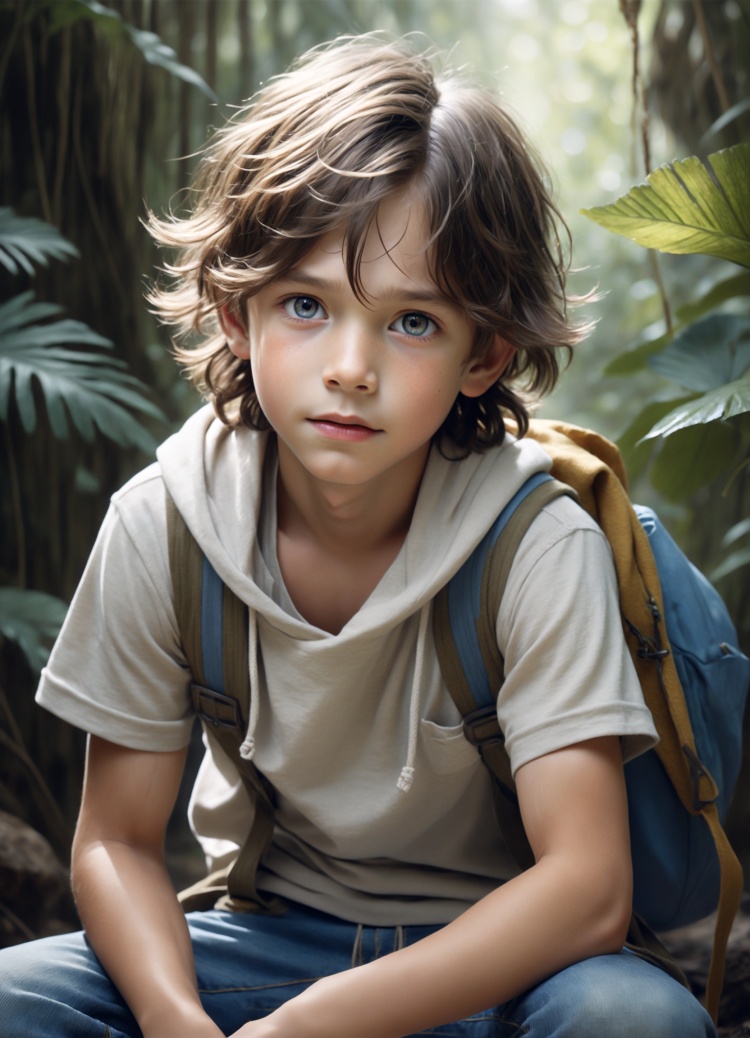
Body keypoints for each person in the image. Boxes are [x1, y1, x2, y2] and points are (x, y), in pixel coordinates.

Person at [0, 33, 716, 1038]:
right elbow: (115, 843)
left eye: (412, 322)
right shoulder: (166, 523)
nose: (350, 366)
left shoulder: (533, 543)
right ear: (236, 316)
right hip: (264, 943)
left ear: (484, 352)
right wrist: (173, 1020)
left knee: (634, 1022)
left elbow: (587, 888)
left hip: (504, 963)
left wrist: (313, 1029)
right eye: (305, 304)